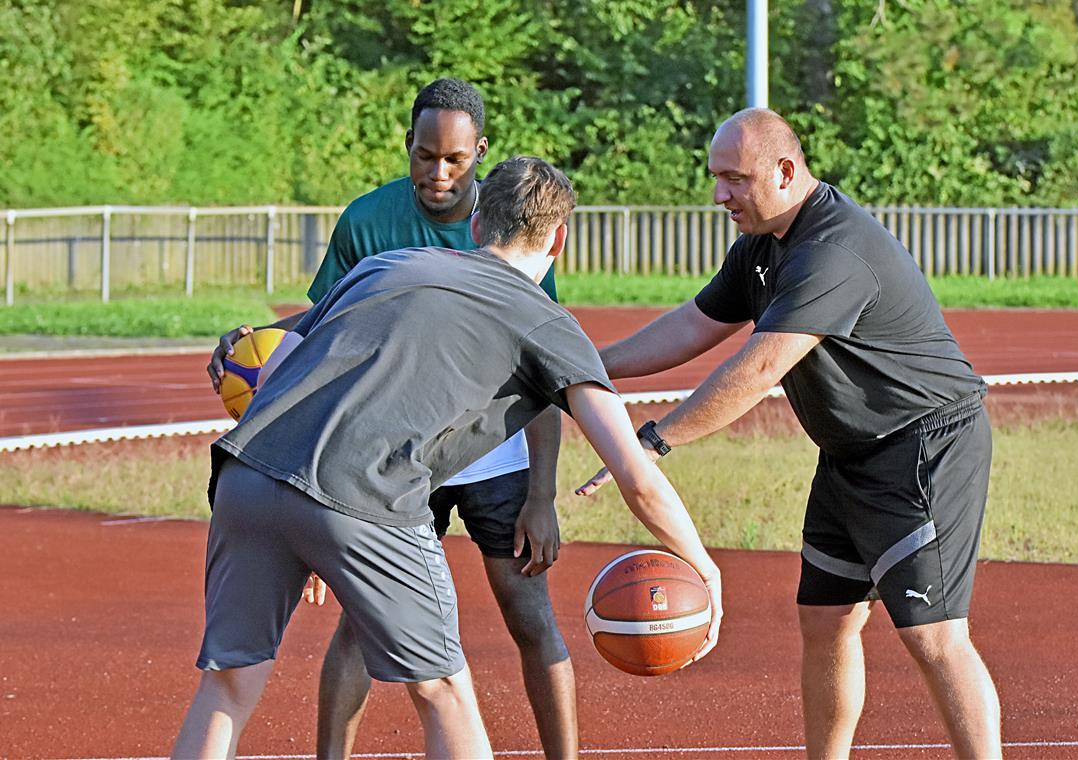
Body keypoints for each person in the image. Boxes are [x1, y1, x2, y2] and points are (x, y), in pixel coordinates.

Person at [174, 156, 723, 759]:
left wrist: (296, 525)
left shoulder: (385, 265)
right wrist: (703, 565)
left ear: (478, 225)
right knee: (445, 694)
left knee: (227, 684)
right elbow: (635, 477)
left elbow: (278, 368)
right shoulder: (548, 322)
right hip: (364, 493)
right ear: (560, 238)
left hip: (247, 471)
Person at [577, 108, 1002, 759]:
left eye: (735, 179)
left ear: (784, 170)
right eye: (716, 177)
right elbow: (693, 325)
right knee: (826, 622)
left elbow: (760, 367)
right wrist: (587, 366)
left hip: (922, 447)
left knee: (933, 636)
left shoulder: (832, 250)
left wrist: (653, 440)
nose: (720, 195)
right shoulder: (761, 246)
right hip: (849, 453)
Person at [205, 79, 576, 758]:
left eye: (456, 160)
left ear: (480, 154)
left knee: (529, 612)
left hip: (491, 451)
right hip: (390, 450)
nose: (439, 173)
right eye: (425, 155)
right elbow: (325, 332)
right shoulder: (367, 220)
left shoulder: (509, 222)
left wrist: (543, 495)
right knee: (360, 624)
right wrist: (254, 336)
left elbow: (545, 365)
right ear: (407, 144)